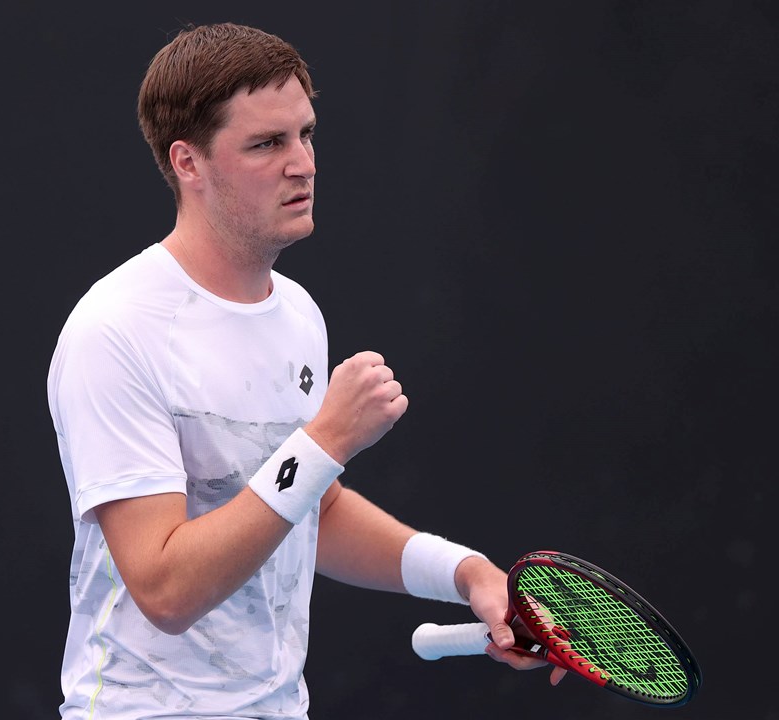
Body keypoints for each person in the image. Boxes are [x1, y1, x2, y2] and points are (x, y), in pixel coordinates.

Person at [46, 21, 565, 719]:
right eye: (266, 143)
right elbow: (165, 590)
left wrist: (467, 572)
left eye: (306, 135)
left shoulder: (298, 316)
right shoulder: (114, 330)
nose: (303, 163)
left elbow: (308, 506)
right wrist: (323, 440)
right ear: (188, 163)